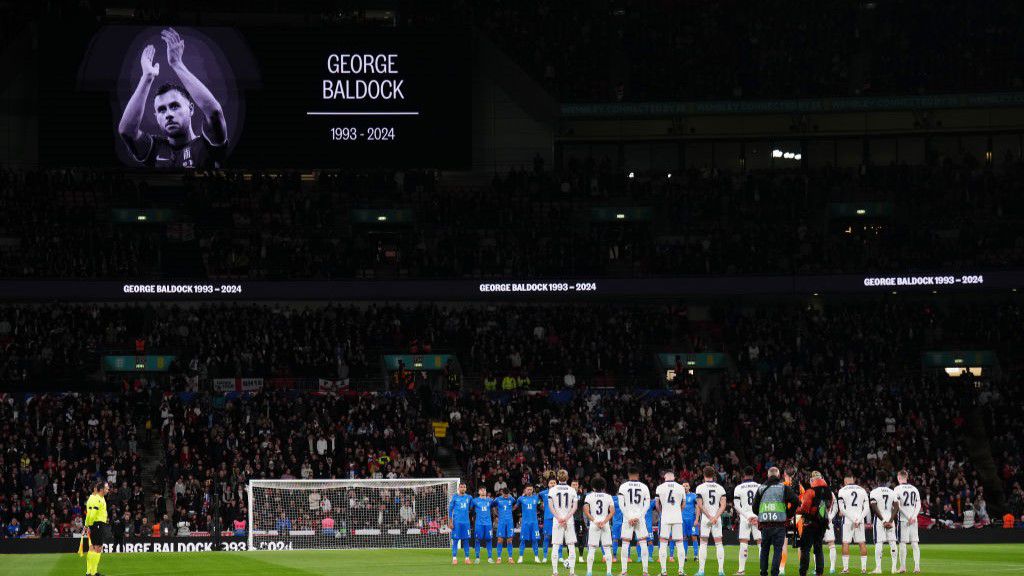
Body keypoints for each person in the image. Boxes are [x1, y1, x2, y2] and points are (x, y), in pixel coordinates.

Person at [117, 28, 228, 168]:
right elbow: (126, 131)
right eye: (162, 110)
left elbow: (214, 112)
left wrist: (177, 64)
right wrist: (147, 77)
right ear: (156, 116)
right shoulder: (154, 148)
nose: (168, 114)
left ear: (191, 108)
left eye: (174, 106)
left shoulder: (207, 144)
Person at [752, 467, 801, 576]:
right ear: (778, 476)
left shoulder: (761, 488)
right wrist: (788, 513)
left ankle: (763, 572)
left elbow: (754, 508)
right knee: (778, 550)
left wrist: (762, 514)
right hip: (779, 524)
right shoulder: (783, 488)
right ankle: (775, 573)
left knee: (764, 550)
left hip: (765, 524)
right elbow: (796, 500)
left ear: (768, 476)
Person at [796, 472, 834, 576]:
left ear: (812, 480)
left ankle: (803, 572)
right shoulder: (829, 492)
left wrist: (795, 510)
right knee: (818, 548)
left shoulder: (810, 491)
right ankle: (819, 573)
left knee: (805, 549)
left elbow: (804, 509)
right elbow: (828, 507)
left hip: (810, 523)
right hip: (822, 524)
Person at [617, 467, 652, 575]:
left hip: (627, 518)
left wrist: (628, 517)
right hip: (639, 518)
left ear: (628, 475)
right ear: (638, 475)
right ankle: (645, 572)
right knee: (643, 543)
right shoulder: (644, 487)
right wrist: (639, 517)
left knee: (625, 544)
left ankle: (624, 572)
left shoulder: (623, 486)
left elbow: (621, 505)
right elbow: (647, 504)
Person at [694, 465, 727, 576]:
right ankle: (721, 571)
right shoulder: (720, 488)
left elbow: (699, 505)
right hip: (716, 519)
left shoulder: (700, 488)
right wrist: (715, 517)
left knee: (703, 544)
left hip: (705, 519)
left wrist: (709, 517)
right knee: (719, 543)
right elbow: (723, 505)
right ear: (713, 475)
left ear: (703, 475)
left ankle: (701, 571)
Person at [548, 469, 580, 576]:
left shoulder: (552, 490)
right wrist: (566, 518)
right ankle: (571, 572)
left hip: (557, 520)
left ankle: (555, 572)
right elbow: (574, 507)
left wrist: (559, 518)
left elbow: (551, 506)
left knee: (556, 546)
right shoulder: (572, 490)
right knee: (571, 546)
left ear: (557, 478)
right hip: (569, 520)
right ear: (567, 478)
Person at [655, 471, 687, 576]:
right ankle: (681, 571)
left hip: (665, 518)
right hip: (677, 518)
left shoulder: (659, 488)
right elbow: (684, 504)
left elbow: (657, 504)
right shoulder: (681, 487)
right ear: (674, 477)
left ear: (665, 478)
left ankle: (664, 572)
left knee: (663, 543)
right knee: (680, 543)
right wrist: (678, 511)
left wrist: (661, 513)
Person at [837, 475, 869, 573]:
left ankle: (846, 569)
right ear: (853, 480)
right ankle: (863, 569)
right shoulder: (862, 490)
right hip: (859, 521)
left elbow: (842, 509)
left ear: (845, 481)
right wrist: (858, 520)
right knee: (862, 543)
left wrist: (852, 519)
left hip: (848, 521)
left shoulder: (842, 491)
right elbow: (867, 509)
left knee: (845, 543)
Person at [583, 476, 615, 576]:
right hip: (605, 524)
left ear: (593, 486)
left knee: (592, 548)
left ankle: (589, 572)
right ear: (603, 486)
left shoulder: (589, 496)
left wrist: (595, 521)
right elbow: (612, 512)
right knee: (607, 548)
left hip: (594, 524)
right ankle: (609, 572)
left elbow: (586, 511)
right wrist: (604, 521)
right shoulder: (608, 496)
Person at [734, 467, 763, 576]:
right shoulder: (760, 486)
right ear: (753, 474)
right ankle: (762, 570)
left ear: (743, 475)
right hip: (758, 517)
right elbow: (763, 503)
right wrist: (757, 517)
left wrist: (747, 516)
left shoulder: (738, 487)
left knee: (743, 542)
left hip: (744, 517)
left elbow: (736, 505)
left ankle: (741, 570)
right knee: (760, 543)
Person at [892, 471, 921, 574]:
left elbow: (897, 506)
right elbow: (918, 505)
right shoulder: (914, 489)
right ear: (907, 477)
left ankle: (903, 567)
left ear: (899, 477)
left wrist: (908, 517)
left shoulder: (897, 489)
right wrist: (913, 516)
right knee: (915, 543)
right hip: (914, 520)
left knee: (902, 543)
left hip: (903, 520)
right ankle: (917, 567)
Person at [868, 473, 898, 574]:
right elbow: (897, 507)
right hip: (890, 517)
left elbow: (874, 507)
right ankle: (894, 568)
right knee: (892, 542)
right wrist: (890, 521)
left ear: (877, 480)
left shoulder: (874, 492)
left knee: (879, 543)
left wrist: (883, 521)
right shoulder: (892, 491)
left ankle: (878, 568)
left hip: (879, 520)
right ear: (886, 481)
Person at [84, 481, 111, 576]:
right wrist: (89, 525)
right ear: (96, 489)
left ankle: (90, 572)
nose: (108, 490)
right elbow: (91, 514)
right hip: (97, 524)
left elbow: (89, 514)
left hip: (96, 524)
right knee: (97, 548)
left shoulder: (97, 498)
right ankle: (92, 572)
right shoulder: (96, 499)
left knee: (93, 548)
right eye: (106, 488)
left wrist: (87, 525)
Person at [448, 482, 473, 565]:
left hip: (466, 523)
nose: (462, 488)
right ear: (458, 488)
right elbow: (450, 510)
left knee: (466, 540)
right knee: (455, 540)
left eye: (464, 487)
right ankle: (454, 558)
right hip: (457, 522)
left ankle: (467, 558)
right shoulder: (454, 497)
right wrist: (450, 522)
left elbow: (471, 508)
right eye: (461, 487)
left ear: (466, 488)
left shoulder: (469, 497)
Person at [518, 485, 543, 563]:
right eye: (528, 489)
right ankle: (520, 557)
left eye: (531, 489)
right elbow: (515, 507)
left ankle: (536, 557)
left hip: (534, 523)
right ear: (525, 490)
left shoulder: (536, 498)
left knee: (535, 540)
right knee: (523, 540)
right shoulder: (521, 499)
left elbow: (540, 505)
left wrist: (542, 506)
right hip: (525, 523)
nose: (529, 491)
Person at [471, 487, 495, 563]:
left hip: (488, 524)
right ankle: (477, 558)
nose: (483, 491)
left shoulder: (490, 500)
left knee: (489, 539)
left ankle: (490, 558)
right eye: (481, 490)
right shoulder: (475, 501)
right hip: (479, 523)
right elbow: (469, 509)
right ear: (478, 492)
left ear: (486, 491)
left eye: (484, 490)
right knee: (477, 540)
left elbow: (496, 507)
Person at [494, 488, 517, 563]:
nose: (506, 496)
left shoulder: (512, 499)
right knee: (500, 539)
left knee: (509, 540)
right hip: (501, 522)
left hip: (510, 522)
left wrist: (511, 510)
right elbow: (493, 506)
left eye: (507, 494)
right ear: (502, 493)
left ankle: (510, 558)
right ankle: (499, 558)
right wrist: (496, 515)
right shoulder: (497, 499)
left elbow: (516, 506)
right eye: (505, 494)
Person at [681, 481, 700, 565]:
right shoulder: (680, 496)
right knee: (684, 538)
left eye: (686, 486)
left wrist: (697, 519)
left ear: (689, 487)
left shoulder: (693, 496)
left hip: (692, 520)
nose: (685, 487)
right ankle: (685, 556)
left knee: (694, 537)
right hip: (682, 520)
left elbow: (698, 507)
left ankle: (696, 556)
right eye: (683, 486)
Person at [540, 477, 559, 562]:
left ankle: (560, 556)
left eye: (554, 482)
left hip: (558, 517)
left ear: (556, 484)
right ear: (548, 484)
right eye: (551, 483)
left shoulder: (560, 493)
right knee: (546, 537)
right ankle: (545, 556)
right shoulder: (543, 493)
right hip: (547, 518)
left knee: (558, 538)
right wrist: (541, 504)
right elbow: (536, 500)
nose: (552, 484)